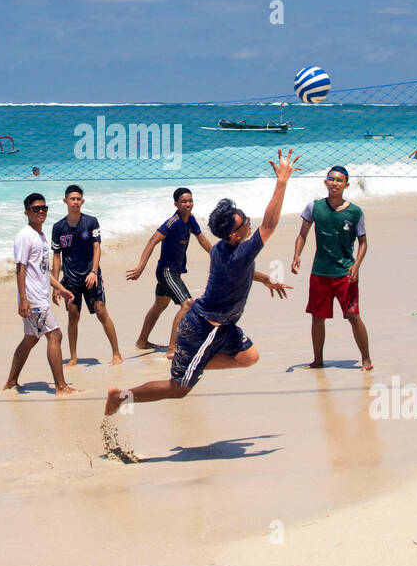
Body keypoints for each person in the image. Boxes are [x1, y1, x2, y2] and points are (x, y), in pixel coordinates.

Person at [105, 151, 297, 416]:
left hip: (222, 326)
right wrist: (282, 183)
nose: (249, 223)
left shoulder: (222, 249)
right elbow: (270, 224)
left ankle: (199, 363)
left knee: (249, 357)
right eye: (244, 223)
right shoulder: (237, 252)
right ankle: (121, 397)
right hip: (201, 330)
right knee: (178, 388)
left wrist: (266, 280)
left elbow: (243, 271)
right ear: (234, 235)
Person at [291, 165, 371, 370]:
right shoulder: (314, 208)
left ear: (346, 185)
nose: (335, 183)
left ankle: (366, 359)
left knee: (353, 315)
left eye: (339, 180)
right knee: (317, 318)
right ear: (325, 182)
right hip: (320, 273)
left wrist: (357, 265)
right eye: (331, 179)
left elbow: (363, 242)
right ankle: (318, 360)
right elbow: (302, 234)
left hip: (345, 273)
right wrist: (296, 255)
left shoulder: (355, 212)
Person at [125, 187, 213, 357]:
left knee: (160, 305)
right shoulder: (172, 223)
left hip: (174, 272)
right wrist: (140, 267)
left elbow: (202, 239)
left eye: (190, 201)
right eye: (184, 202)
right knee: (187, 304)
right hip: (166, 272)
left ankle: (142, 341)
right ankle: (172, 349)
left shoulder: (191, 219)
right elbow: (152, 241)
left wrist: (217, 256)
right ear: (176, 204)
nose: (188, 204)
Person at [4, 192, 77, 395]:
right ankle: (61, 387)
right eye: (36, 209)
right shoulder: (25, 236)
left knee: (31, 338)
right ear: (27, 212)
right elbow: (20, 269)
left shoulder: (41, 236)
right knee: (55, 334)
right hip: (33, 298)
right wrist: (24, 300)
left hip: (39, 295)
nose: (41, 212)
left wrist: (60, 288)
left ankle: (11, 381)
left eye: (44, 208)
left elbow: (42, 270)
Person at [52, 185, 122, 366]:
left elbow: (97, 248)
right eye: (71, 199)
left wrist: (94, 272)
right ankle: (74, 357)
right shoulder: (58, 227)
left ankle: (116, 353)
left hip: (92, 277)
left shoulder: (91, 222)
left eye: (78, 199)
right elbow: (57, 256)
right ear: (65, 201)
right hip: (70, 280)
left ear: (82, 201)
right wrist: (55, 285)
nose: (75, 202)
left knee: (101, 311)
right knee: (73, 316)